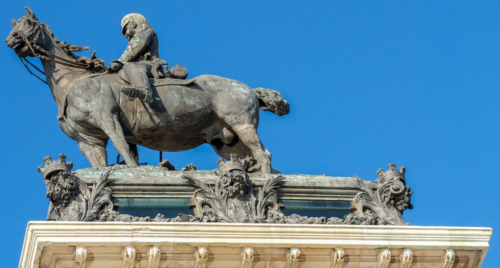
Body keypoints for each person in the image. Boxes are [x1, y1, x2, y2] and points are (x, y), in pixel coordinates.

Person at [114, 13, 159, 104]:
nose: (125, 34)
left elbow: (135, 47)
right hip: (142, 65)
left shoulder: (145, 29)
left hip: (149, 64)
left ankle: (144, 91)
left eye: (125, 29)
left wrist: (119, 62)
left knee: (130, 65)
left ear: (133, 23)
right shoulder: (139, 33)